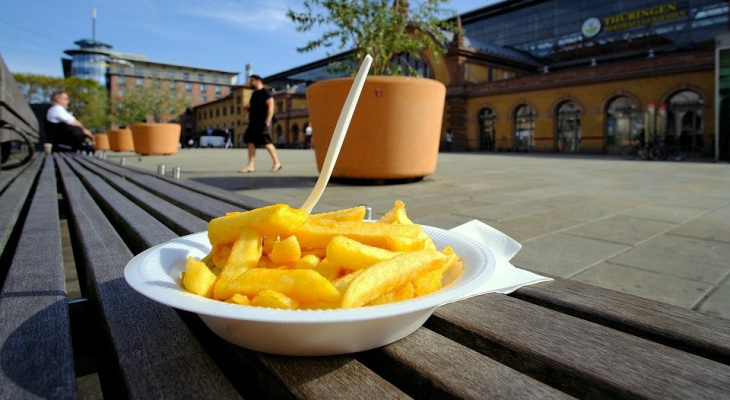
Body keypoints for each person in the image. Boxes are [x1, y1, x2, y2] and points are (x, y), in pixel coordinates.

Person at [240, 75, 282, 172]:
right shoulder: (254, 94)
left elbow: (271, 107)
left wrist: (267, 121)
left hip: (263, 122)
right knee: (250, 142)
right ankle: (250, 166)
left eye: (252, 80)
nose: (250, 83)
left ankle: (277, 163)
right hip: (253, 122)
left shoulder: (266, 92)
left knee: (266, 142)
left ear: (258, 81)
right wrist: (247, 108)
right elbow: (254, 107)